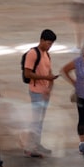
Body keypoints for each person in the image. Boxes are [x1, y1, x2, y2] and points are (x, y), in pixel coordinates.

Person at [23, 29, 58, 158]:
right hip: (36, 92)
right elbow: (27, 73)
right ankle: (30, 147)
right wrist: (46, 79)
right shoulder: (33, 53)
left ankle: (36, 144)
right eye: (48, 43)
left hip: (44, 93)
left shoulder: (47, 55)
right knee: (35, 121)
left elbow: (49, 72)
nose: (49, 46)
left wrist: (49, 86)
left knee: (40, 121)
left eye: (51, 44)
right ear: (41, 40)